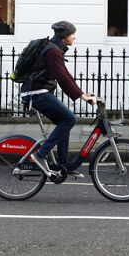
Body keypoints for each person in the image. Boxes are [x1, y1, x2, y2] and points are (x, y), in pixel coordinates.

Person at [21, 21, 97, 178]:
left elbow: (66, 75)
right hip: (36, 92)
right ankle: (40, 155)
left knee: (65, 121)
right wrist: (82, 96)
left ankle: (63, 166)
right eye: (72, 34)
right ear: (64, 37)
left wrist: (83, 93)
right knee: (70, 119)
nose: (74, 37)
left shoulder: (55, 50)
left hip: (38, 91)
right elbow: (62, 78)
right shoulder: (53, 51)